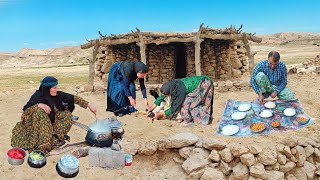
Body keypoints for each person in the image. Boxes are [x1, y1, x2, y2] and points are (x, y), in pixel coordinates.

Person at [11, 76, 97, 153]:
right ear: (47, 89)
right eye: (54, 88)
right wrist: (39, 105)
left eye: (57, 87)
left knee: (67, 115)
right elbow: (26, 112)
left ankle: (56, 138)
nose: (56, 90)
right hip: (37, 123)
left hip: (52, 120)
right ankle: (43, 144)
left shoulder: (57, 95)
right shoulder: (38, 96)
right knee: (39, 112)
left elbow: (74, 98)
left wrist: (89, 105)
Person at [148, 76, 214, 126]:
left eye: (167, 95)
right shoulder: (172, 85)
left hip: (204, 84)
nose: (166, 96)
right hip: (199, 83)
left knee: (187, 103)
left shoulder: (180, 91)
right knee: (187, 102)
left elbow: (174, 108)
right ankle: (188, 119)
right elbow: (162, 95)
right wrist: (151, 108)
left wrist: (158, 115)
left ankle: (191, 121)